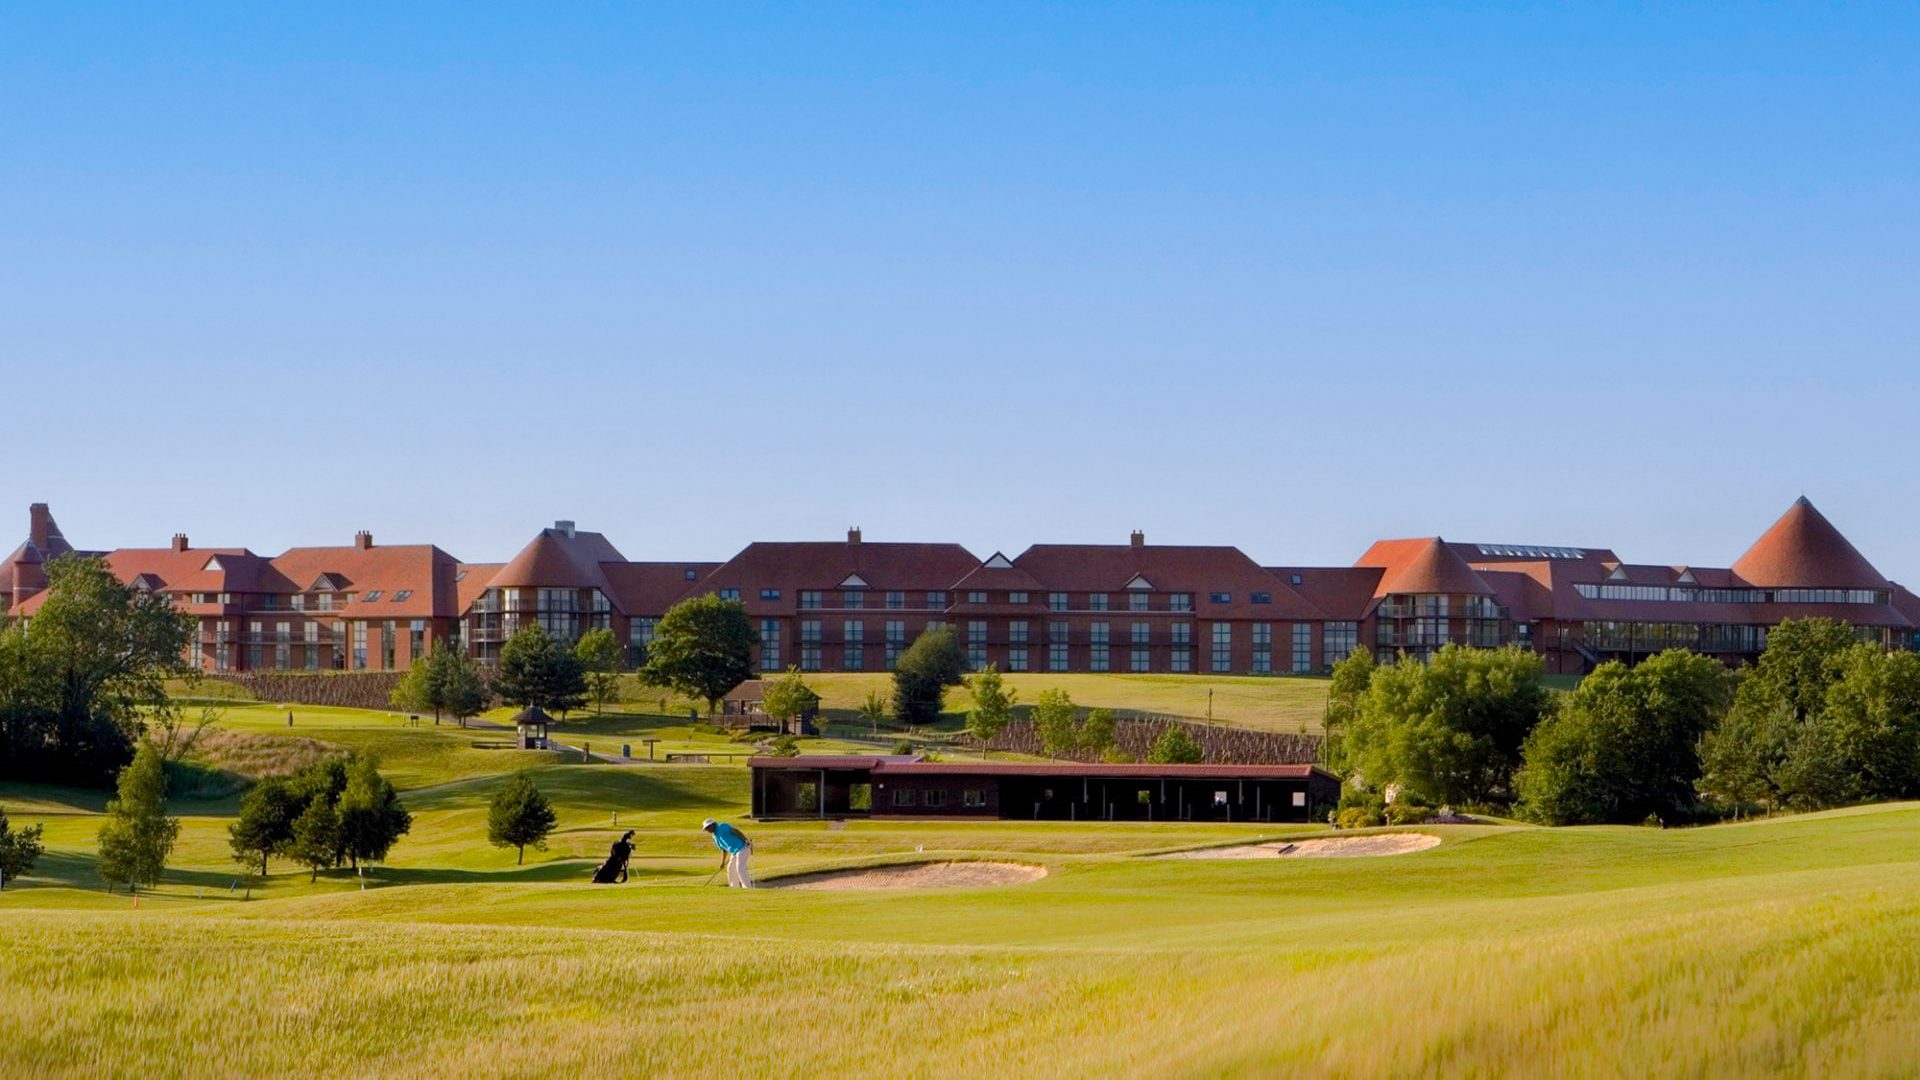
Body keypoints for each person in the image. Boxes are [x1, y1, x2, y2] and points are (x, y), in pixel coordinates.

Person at [702, 818, 753, 888]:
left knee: (740, 868)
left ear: (713, 825)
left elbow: (736, 831)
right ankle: (734, 888)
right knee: (730, 869)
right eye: (706, 828)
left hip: (742, 847)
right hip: (734, 852)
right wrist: (723, 862)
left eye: (708, 827)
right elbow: (723, 849)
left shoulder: (722, 826)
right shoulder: (714, 836)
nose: (707, 830)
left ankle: (747, 888)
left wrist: (746, 840)